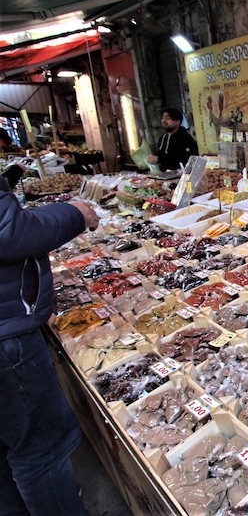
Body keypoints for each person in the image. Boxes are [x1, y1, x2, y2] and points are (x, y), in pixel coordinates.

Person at [0, 164, 100, 515]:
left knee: (13, 446)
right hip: (6, 338)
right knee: (42, 448)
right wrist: (74, 212)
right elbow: (9, 230)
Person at [146, 107, 199, 172]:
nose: (164, 121)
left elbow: (185, 160)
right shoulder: (163, 138)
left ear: (178, 122)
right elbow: (160, 154)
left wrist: (159, 159)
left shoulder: (185, 138)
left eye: (168, 118)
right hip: (163, 175)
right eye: (162, 117)